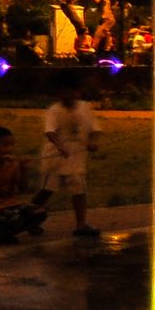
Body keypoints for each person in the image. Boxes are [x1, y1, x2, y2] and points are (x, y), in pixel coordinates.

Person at [39, 75, 101, 237]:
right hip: (55, 157)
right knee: (47, 190)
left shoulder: (85, 108)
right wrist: (60, 146)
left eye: (70, 92)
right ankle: (29, 217)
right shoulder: (54, 110)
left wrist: (92, 142)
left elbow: (95, 129)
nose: (66, 96)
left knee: (79, 189)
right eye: (62, 92)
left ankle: (81, 224)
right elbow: (50, 131)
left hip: (76, 157)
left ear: (77, 92)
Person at [0, 125, 52, 243]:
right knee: (15, 217)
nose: (10, 149)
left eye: (12, 145)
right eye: (5, 145)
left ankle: (5, 232)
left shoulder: (12, 164)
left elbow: (23, 189)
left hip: (9, 205)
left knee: (40, 211)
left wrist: (23, 169)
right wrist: (7, 166)